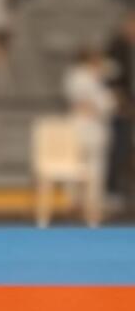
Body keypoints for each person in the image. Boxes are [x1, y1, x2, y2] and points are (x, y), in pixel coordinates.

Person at [63, 47, 116, 228]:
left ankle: (90, 205)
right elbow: (92, 103)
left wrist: (106, 104)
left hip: (94, 129)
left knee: (94, 168)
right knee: (81, 167)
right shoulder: (79, 77)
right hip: (84, 127)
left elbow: (105, 103)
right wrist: (104, 105)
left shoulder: (95, 78)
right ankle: (80, 204)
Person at [104, 9, 135, 202]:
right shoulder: (116, 47)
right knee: (120, 146)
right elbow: (111, 79)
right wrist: (122, 102)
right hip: (122, 107)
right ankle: (113, 188)